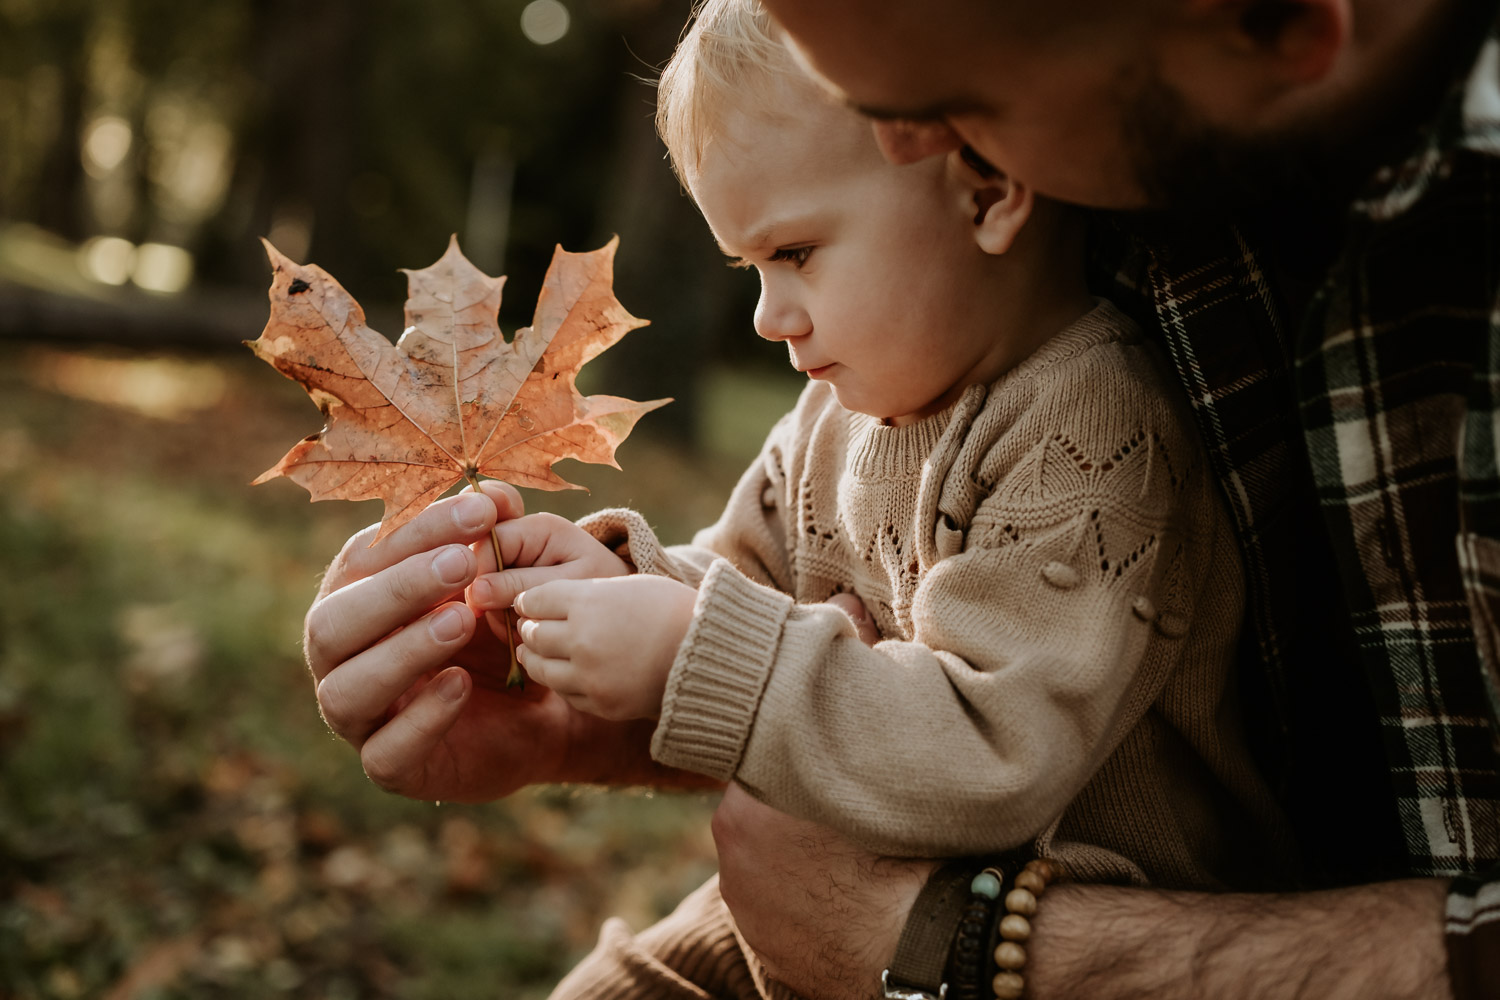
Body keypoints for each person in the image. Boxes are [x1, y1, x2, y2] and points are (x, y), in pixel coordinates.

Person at [302, 0, 1500, 997]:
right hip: (841, 889)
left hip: (1089, 906)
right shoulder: (848, 412)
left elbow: (992, 746)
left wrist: (693, 657)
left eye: (798, 254)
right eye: (751, 268)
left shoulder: (1093, 420)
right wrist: (598, 592)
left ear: (989, 190)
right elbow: (746, 582)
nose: (768, 315)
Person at [695, 0, 1500, 997]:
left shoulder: (1087, 400)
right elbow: (746, 624)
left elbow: (965, 768)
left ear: (1274, 24)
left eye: (954, 103)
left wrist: (961, 947)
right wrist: (578, 625)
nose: (904, 142)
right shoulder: (1117, 160)